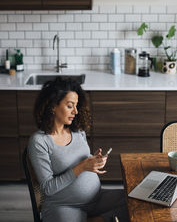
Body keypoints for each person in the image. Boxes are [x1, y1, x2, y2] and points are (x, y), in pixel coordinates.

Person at [28, 77, 129, 222]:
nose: (75, 111)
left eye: (76, 106)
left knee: (136, 203)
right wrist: (82, 167)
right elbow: (47, 188)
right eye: (70, 106)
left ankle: (95, 220)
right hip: (64, 206)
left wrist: (94, 161)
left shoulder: (77, 131)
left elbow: (81, 159)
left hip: (96, 197)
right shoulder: (39, 141)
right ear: (52, 106)